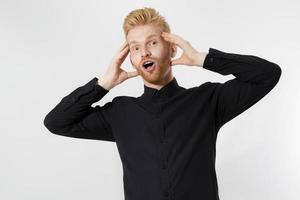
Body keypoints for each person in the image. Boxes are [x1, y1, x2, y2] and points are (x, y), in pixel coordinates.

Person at [43, 7, 282, 200]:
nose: (144, 52)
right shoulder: (119, 113)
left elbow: (267, 74)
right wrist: (103, 83)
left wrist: (203, 59)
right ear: (132, 59)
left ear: (172, 48)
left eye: (152, 43)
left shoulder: (207, 101)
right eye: (135, 48)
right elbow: (56, 122)